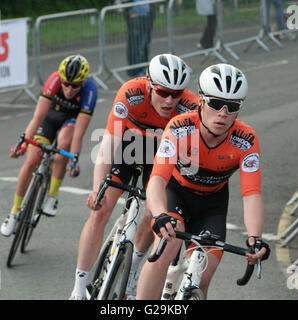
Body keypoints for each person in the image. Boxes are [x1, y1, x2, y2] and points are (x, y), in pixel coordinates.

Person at [136, 63, 270, 300]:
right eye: (216, 104)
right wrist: (158, 215)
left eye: (233, 107)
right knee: (166, 248)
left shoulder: (246, 139)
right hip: (175, 194)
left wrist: (255, 237)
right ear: (200, 100)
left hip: (212, 205)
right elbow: (157, 179)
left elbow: (251, 194)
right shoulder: (179, 128)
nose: (223, 113)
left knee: (203, 277)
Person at [70, 53, 198, 300]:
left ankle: (133, 271)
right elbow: (108, 146)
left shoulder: (190, 106)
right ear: (149, 84)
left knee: (154, 214)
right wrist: (97, 187)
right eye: (162, 92)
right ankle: (78, 288)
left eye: (176, 93)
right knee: (100, 209)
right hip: (127, 146)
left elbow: (188, 159)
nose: (170, 100)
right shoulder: (131, 93)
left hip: (160, 155)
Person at [0, 55, 97, 236]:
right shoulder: (54, 81)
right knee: (31, 161)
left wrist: (73, 160)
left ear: (83, 83)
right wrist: (22, 143)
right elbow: (37, 118)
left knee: (65, 143)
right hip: (49, 118)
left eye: (74, 85)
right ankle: (14, 212)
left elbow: (79, 135)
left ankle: (52, 195)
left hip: (70, 121)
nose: (68, 89)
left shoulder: (90, 91)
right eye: (65, 83)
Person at [123, 0, 155, 78]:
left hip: (146, 14)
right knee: (135, 45)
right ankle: (135, 70)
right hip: (135, 15)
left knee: (144, 44)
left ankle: (143, 68)